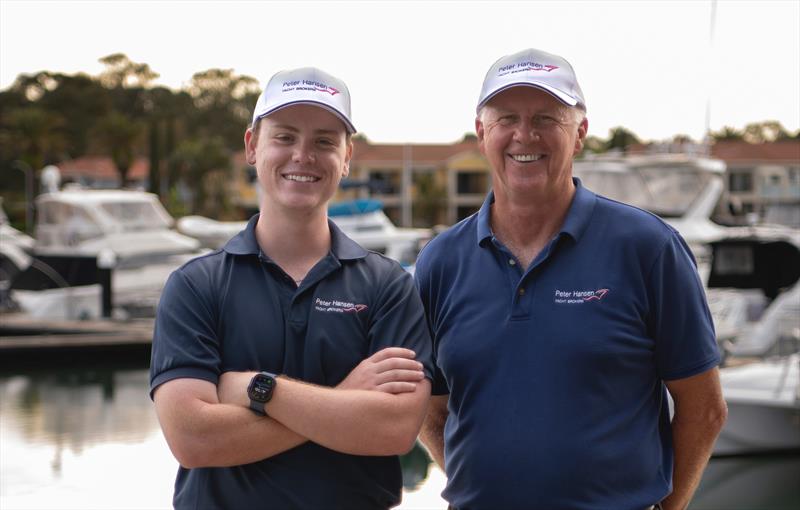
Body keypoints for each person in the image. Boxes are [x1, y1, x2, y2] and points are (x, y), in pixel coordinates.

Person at [415, 48, 727, 510]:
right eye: (506, 119)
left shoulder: (648, 247)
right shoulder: (440, 261)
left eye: (547, 118)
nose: (525, 134)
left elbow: (704, 409)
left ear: (579, 133)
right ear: (482, 133)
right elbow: (430, 406)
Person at [150, 66, 433, 509]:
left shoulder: (388, 286)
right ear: (252, 146)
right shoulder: (195, 286)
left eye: (324, 141)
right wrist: (343, 403)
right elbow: (193, 439)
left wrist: (259, 389)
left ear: (346, 157)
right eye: (284, 137)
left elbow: (393, 431)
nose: (303, 155)